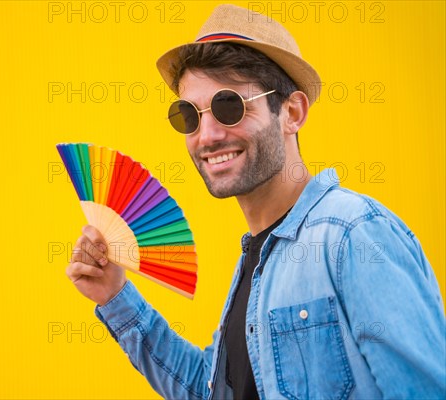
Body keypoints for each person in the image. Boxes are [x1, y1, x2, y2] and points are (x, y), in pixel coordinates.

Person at [65, 4, 446, 399]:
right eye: (189, 116)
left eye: (229, 106)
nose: (207, 136)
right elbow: (211, 390)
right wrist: (115, 296)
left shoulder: (354, 235)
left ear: (292, 112)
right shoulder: (257, 261)